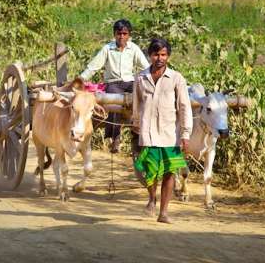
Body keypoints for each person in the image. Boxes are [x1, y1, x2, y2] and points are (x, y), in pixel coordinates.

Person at [132, 38, 192, 224]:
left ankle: (164, 212)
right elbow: (137, 103)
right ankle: (152, 198)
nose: (159, 58)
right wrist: (135, 122)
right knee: (149, 172)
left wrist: (185, 133)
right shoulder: (141, 78)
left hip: (169, 134)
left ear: (168, 56)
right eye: (156, 54)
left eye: (163, 54)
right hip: (148, 132)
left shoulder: (176, 78)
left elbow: (184, 106)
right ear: (150, 56)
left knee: (169, 173)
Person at [79, 19, 149, 153]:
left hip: (130, 82)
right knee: (114, 100)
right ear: (114, 34)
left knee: (143, 95)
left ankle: (139, 130)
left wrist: (157, 78)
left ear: (129, 35)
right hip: (113, 83)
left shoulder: (133, 48)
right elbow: (93, 67)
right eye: (119, 34)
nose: (121, 36)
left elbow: (146, 67)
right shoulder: (107, 49)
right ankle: (115, 137)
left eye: (124, 33)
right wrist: (80, 80)